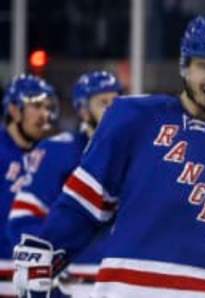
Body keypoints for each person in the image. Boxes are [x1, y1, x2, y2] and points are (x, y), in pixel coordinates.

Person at [12, 16, 205, 298]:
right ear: (184, 67)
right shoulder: (131, 117)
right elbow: (85, 204)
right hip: (129, 288)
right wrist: (45, 249)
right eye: (204, 66)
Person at [7, 71, 122, 297]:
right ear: (82, 110)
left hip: (122, 281)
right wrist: (44, 268)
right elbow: (24, 219)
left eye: (116, 102)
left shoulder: (136, 154)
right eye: (103, 102)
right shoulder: (57, 151)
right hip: (75, 280)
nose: (112, 110)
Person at [0, 74, 57, 296]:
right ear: (14, 110)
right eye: (36, 106)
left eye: (48, 107)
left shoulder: (52, 154)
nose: (45, 114)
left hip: (37, 274)